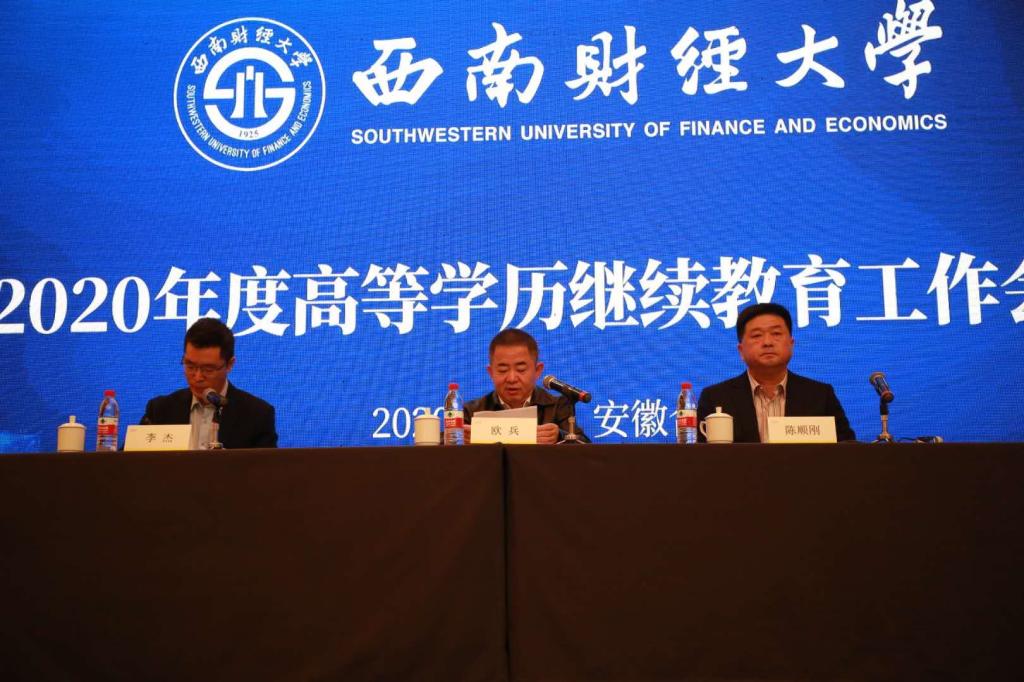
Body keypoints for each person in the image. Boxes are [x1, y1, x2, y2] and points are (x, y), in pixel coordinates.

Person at [696, 303, 855, 443]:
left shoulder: (820, 395)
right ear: (741, 351)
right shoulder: (715, 397)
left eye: (776, 334)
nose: (768, 342)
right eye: (757, 335)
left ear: (791, 344)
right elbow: (700, 456)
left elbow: (847, 449)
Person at [141, 318, 278, 449]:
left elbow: (266, 465)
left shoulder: (257, 415)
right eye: (190, 366)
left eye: (208, 369)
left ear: (230, 364)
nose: (197, 377)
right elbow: (134, 460)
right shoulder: (159, 411)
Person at [463, 329, 590, 444]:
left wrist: (559, 436)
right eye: (503, 370)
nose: (512, 379)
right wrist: (460, 441)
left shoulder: (558, 407)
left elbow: (586, 449)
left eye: (521, 369)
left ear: (537, 371)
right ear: (491, 373)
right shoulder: (471, 412)